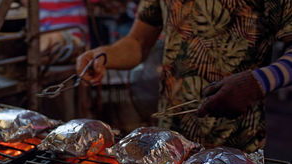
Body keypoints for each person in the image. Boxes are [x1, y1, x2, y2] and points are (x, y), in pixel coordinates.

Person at [76, 0, 292, 153]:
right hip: (169, 142)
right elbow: (138, 42)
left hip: (236, 145)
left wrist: (258, 82)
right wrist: (102, 55)